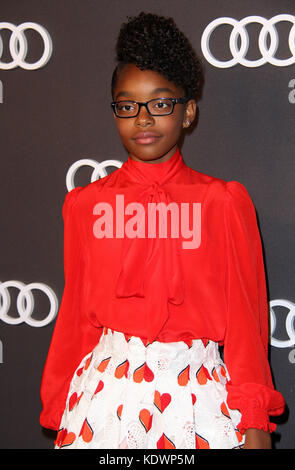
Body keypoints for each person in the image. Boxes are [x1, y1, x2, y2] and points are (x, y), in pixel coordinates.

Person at [39, 12, 285, 449]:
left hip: (196, 398)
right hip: (103, 399)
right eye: (127, 105)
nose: (144, 118)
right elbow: (76, 316)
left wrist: (253, 424)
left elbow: (247, 326)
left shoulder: (221, 202)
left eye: (160, 102)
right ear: (115, 111)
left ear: (188, 111)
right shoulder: (85, 205)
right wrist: (59, 405)